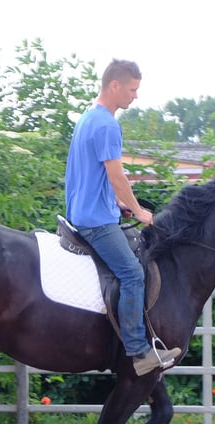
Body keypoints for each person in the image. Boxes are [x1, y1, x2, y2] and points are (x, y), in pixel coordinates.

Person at [64, 58, 181, 376]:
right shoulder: (106, 125)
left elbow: (93, 177)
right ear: (114, 86)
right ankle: (138, 350)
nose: (135, 96)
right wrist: (140, 211)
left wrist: (119, 204)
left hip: (89, 210)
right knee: (132, 274)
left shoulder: (88, 118)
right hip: (96, 221)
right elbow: (117, 176)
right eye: (132, 89)